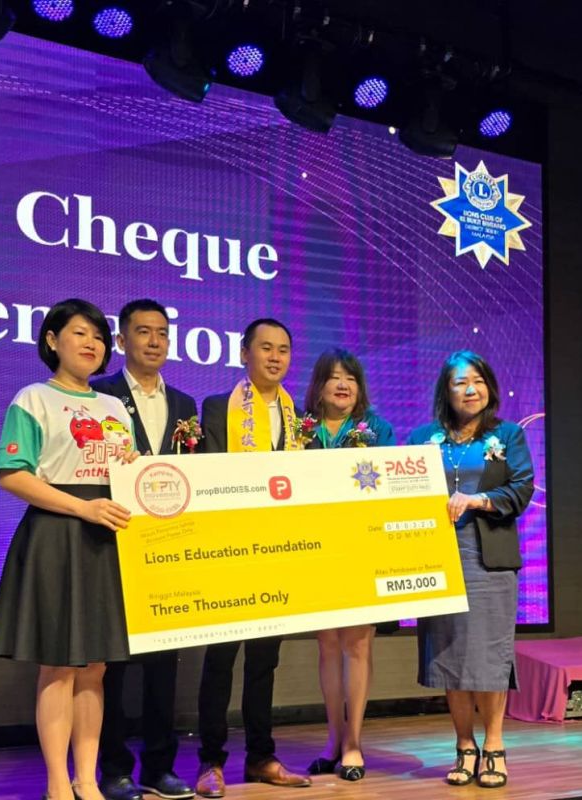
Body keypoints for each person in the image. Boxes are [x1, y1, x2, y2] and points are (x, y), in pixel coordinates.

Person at [0, 299, 139, 800]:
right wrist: (81, 509)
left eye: (98, 336)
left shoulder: (114, 408)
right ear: (52, 341)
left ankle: (87, 780)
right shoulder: (32, 398)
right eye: (79, 333)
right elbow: (13, 474)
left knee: (96, 667)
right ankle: (57, 784)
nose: (92, 343)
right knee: (59, 664)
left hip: (107, 538)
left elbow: (128, 471)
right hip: (56, 535)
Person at [194, 318, 312, 798]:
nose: (275, 357)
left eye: (283, 349)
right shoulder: (216, 408)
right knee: (220, 659)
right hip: (229, 551)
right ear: (244, 353)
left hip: (277, 552)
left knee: (265, 661)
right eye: (266, 347)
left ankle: (261, 756)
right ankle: (210, 761)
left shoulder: (298, 417)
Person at [407, 350, 534, 789]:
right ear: (446, 390)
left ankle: (494, 744)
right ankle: (464, 745)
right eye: (460, 382)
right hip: (437, 557)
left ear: (489, 387)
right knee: (450, 652)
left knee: (488, 654)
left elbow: (520, 490)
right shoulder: (421, 439)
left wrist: (478, 500)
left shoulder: (508, 435)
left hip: (488, 558)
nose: (470, 389)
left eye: (477, 380)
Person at [93, 300, 197, 800]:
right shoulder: (99, 395)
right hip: (112, 544)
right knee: (110, 666)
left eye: (162, 333)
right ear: (121, 341)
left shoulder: (184, 403)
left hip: (168, 549)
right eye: (143, 332)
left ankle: (160, 767)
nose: (154, 341)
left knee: (162, 667)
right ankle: (113, 768)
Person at [301, 348, 395, 782]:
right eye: (334, 377)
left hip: (362, 547)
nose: (342, 385)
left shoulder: (377, 429)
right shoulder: (300, 428)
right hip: (315, 549)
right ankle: (333, 740)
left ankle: (354, 743)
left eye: (351, 378)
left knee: (358, 644)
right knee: (327, 645)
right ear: (318, 385)